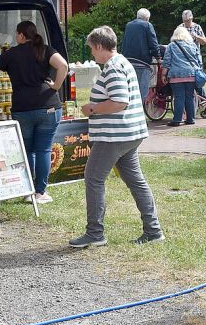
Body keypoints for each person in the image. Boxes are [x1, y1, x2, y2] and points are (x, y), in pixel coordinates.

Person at [70, 26, 164, 248]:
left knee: (93, 178)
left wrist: (92, 108)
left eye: (92, 49)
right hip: (130, 133)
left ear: (101, 46)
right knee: (136, 181)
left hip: (114, 136)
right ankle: (153, 230)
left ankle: (95, 233)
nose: (92, 53)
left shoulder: (113, 68)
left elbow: (119, 102)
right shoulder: (122, 62)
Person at [0, 21, 69, 204]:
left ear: (22, 35)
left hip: (22, 108)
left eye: (17, 34)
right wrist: (56, 86)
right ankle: (40, 192)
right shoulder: (45, 49)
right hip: (48, 106)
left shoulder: (11, 54)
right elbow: (63, 65)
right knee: (44, 149)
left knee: (27, 151)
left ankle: (28, 190)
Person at [163, 26, 200, 127]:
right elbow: (198, 60)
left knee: (179, 97)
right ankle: (190, 119)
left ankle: (177, 120)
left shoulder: (171, 46)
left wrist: (163, 74)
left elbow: (167, 61)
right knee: (190, 97)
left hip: (176, 75)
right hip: (190, 74)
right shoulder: (192, 45)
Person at [121, 8, 160, 97]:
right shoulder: (147, 25)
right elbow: (153, 43)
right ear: (147, 18)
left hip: (128, 61)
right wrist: (158, 57)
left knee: (130, 88)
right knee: (142, 90)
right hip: (141, 62)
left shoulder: (128, 25)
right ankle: (139, 108)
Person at [178, 9, 206, 99]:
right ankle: (193, 96)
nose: (186, 22)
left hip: (195, 56)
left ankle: (202, 95)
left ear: (192, 18)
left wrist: (196, 36)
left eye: (188, 20)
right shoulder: (180, 28)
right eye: (185, 21)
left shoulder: (197, 27)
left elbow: (204, 41)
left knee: (198, 76)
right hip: (183, 56)